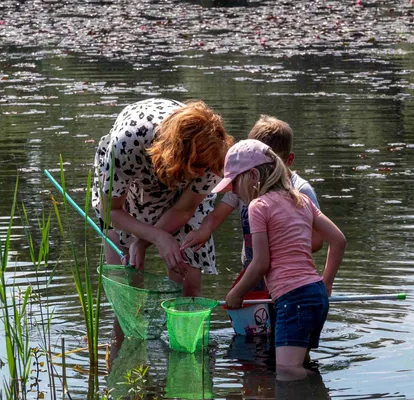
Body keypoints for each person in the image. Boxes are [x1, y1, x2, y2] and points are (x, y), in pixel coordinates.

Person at [217, 140, 346, 370]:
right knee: (301, 365)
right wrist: (326, 285)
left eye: (235, 183)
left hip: (293, 299)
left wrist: (236, 293)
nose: (234, 191)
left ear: (253, 176)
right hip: (315, 294)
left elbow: (260, 263)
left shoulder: (258, 206)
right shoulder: (301, 199)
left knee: (287, 371)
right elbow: (338, 241)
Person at [93, 98, 234, 296]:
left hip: (181, 190)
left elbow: (185, 209)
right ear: (177, 155)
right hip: (134, 182)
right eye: (197, 167)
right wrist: (157, 236)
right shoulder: (126, 144)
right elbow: (110, 211)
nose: (204, 174)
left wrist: (144, 241)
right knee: (128, 288)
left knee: (188, 286)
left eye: (207, 168)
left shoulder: (214, 156)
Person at [180, 115, 322, 277]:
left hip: (288, 273)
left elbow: (317, 239)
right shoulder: (245, 186)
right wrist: (202, 232)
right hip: (252, 269)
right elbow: (215, 217)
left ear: (289, 160)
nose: (263, 176)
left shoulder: (300, 190)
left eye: (272, 166)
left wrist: (281, 245)